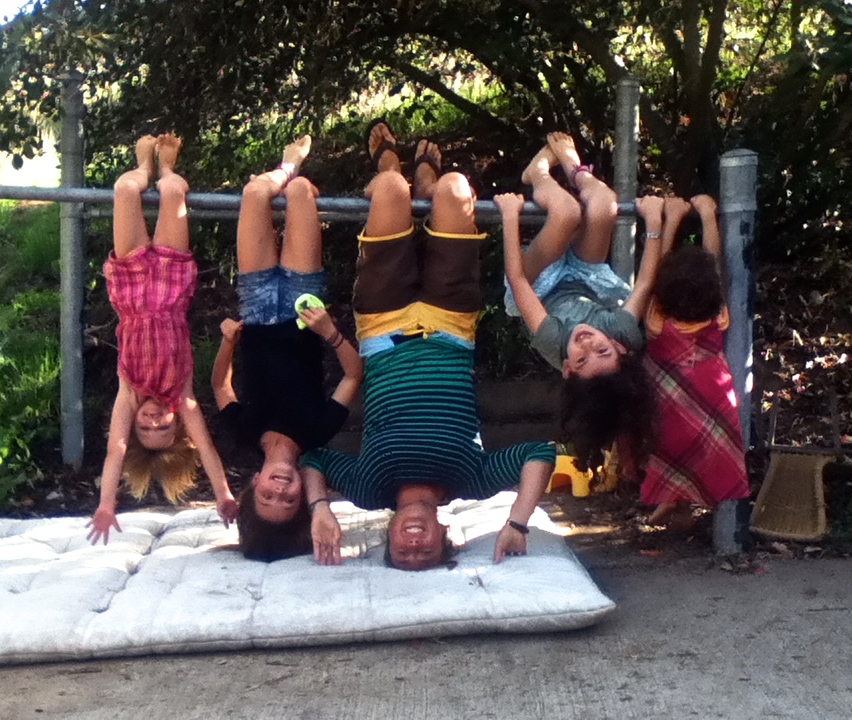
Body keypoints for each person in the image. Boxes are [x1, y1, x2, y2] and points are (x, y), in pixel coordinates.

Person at [301, 120, 556, 571]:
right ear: (446, 536)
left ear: (389, 539)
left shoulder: (368, 489)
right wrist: (517, 523)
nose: (414, 545)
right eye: (427, 553)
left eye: (402, 554)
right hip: (451, 322)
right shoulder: (470, 480)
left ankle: (389, 166)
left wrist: (320, 507)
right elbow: (539, 453)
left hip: (382, 322)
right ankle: (429, 184)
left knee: (390, 191)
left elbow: (313, 457)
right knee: (457, 190)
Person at [212, 135, 363, 562]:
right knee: (298, 193)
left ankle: (286, 165)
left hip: (256, 307)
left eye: (267, 498)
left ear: (253, 485)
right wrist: (331, 332)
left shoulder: (245, 434)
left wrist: (227, 344)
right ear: (301, 492)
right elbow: (354, 374)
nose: (279, 490)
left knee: (255, 193)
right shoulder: (317, 432)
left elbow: (221, 388)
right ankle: (293, 178)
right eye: (288, 500)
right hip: (303, 306)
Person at [88, 133, 235, 545]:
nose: (153, 420)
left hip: (130, 286)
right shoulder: (181, 396)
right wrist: (222, 494)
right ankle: (165, 170)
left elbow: (116, 449)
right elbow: (206, 449)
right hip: (171, 287)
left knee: (124, 188)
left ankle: (142, 165)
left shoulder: (128, 394)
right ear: (177, 424)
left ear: (136, 424)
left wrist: (106, 504)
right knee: (174, 190)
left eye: (146, 427)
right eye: (162, 427)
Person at [495, 132, 657, 473]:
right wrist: (654, 224)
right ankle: (574, 167)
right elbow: (644, 283)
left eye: (582, 359)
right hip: (585, 278)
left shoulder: (554, 342)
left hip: (537, 282)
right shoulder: (622, 331)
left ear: (567, 369)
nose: (587, 343)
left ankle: (537, 173)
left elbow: (519, 279)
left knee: (567, 213)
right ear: (620, 347)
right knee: (604, 207)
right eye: (602, 351)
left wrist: (510, 218)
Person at [638, 193, 750, 527]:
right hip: (712, 401)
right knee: (706, 451)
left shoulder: (657, 320)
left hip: (668, 409)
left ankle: (675, 501)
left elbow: (657, 274)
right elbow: (713, 262)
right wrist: (707, 215)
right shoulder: (719, 316)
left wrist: (671, 218)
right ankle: (691, 506)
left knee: (668, 453)